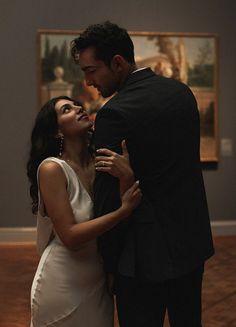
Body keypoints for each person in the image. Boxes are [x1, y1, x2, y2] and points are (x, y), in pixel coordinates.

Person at [71, 21, 215, 327]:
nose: (88, 80)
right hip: (191, 242)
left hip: (141, 257)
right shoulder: (181, 92)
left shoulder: (114, 113)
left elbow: (109, 198)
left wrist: (108, 263)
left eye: (91, 70)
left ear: (118, 62)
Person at [26, 95, 141, 327]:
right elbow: (70, 236)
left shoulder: (100, 160)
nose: (78, 108)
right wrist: (122, 212)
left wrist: (127, 175)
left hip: (98, 280)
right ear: (56, 132)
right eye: (67, 109)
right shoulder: (51, 169)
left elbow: (123, 202)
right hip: (63, 283)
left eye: (77, 104)